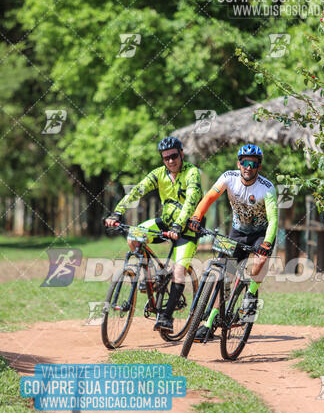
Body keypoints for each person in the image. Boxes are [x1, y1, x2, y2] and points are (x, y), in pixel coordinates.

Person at [105, 137, 202, 332]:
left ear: (181, 154)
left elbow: (191, 200)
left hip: (187, 229)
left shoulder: (192, 173)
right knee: (133, 236)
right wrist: (117, 212)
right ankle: (150, 280)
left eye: (174, 156)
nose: (170, 161)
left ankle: (166, 317)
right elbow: (136, 192)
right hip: (165, 223)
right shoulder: (158, 174)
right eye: (166, 158)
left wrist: (178, 226)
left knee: (178, 271)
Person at [188, 143, 278, 342]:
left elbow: (273, 220)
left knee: (260, 262)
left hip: (260, 234)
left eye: (253, 164)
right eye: (244, 163)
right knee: (224, 277)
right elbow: (210, 197)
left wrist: (267, 244)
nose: (248, 167)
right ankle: (209, 323)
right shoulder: (228, 178)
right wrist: (196, 216)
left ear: (259, 167)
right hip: (237, 232)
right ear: (239, 163)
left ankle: (251, 295)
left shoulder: (267, 188)